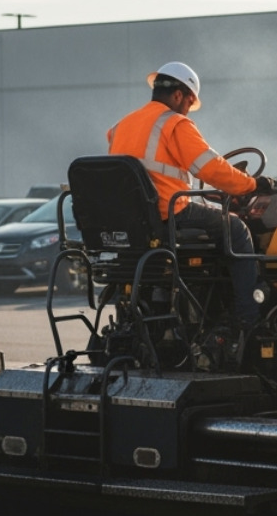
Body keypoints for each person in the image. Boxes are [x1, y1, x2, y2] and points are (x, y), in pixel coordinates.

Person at [107, 61, 268, 327]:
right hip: (168, 214)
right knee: (237, 230)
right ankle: (249, 319)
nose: (188, 111)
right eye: (189, 104)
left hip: (132, 223)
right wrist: (250, 186)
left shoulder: (121, 126)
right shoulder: (174, 123)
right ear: (180, 95)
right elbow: (211, 168)